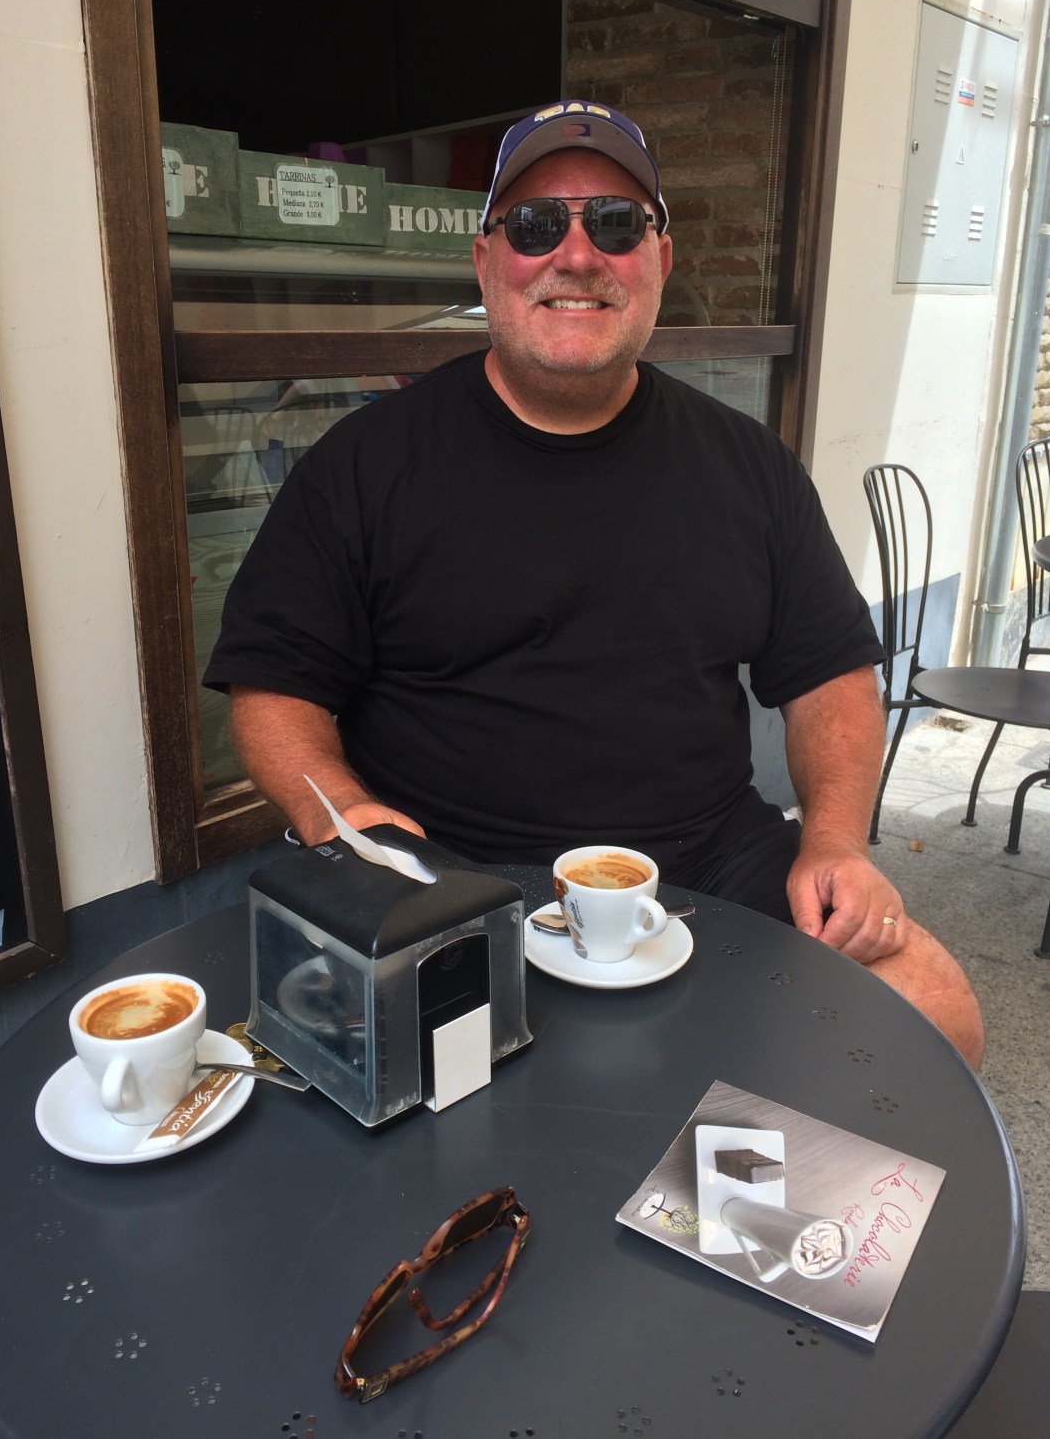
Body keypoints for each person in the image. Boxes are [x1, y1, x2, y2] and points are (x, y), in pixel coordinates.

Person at [205, 100, 984, 1066]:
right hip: (447, 876)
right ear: (485, 261)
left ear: (660, 259)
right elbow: (275, 686)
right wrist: (347, 819)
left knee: (935, 1011)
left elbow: (829, 676)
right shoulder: (366, 465)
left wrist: (835, 843)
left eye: (616, 224)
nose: (576, 255)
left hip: (707, 862)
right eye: (536, 226)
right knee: (466, 1107)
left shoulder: (749, 468)